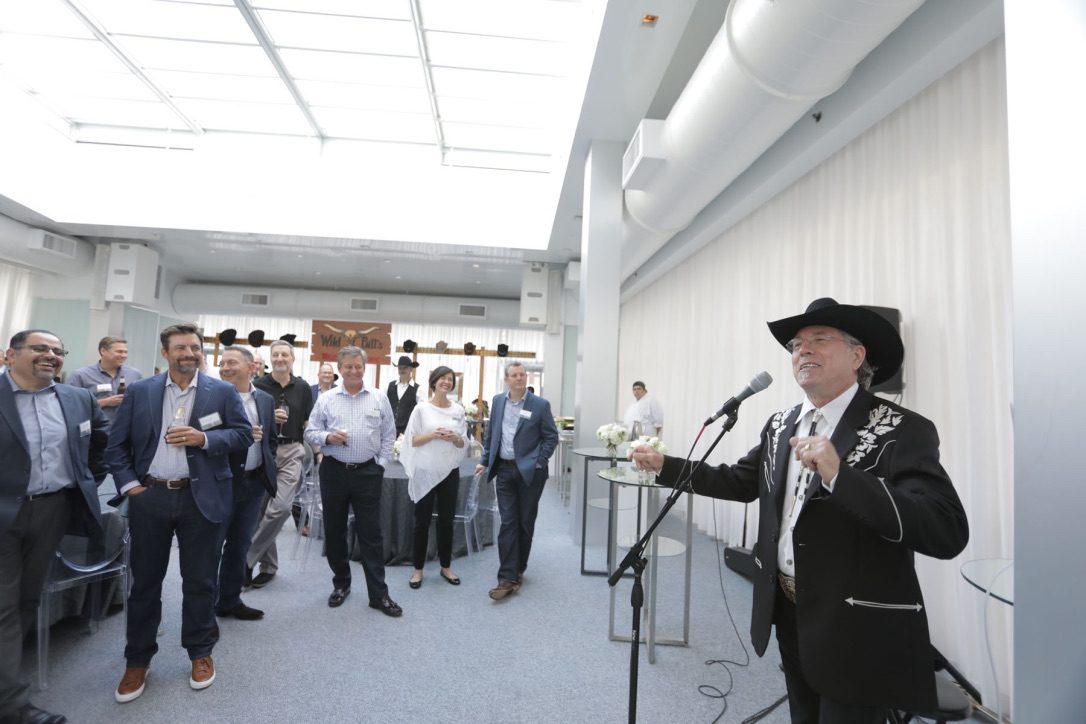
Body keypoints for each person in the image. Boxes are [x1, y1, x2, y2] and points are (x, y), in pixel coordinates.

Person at [631, 298, 969, 720]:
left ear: (857, 355)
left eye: (819, 339)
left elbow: (945, 528)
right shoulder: (781, 424)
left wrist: (840, 475)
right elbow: (738, 481)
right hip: (790, 610)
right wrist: (666, 466)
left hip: (857, 626)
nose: (802, 350)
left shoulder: (902, 429)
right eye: (795, 344)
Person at [106, 323, 252, 703]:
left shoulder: (221, 391)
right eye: (181, 347)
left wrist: (204, 438)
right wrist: (130, 488)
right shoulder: (140, 391)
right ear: (165, 353)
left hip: (200, 499)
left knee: (201, 581)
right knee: (145, 584)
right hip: (150, 497)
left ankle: (200, 653)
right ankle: (137, 660)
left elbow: (241, 435)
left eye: (195, 347)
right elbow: (116, 447)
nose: (190, 353)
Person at [1, 330, 109, 724]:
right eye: (40, 348)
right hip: (3, 516)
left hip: (52, 511)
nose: (51, 355)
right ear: (10, 355)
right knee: (4, 608)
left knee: (28, 601)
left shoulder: (76, 398)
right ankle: (12, 707)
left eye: (57, 350)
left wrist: (88, 481)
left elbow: (101, 442)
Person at [303, 346, 402, 617]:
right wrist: (327, 438)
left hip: (368, 473)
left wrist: (380, 466)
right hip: (334, 471)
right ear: (340, 368)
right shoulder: (327, 399)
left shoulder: (379, 398)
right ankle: (341, 584)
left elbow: (389, 435)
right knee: (335, 532)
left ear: (364, 367)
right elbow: (310, 431)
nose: (353, 371)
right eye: (348, 366)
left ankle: (378, 595)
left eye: (358, 366)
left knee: (371, 535)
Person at [475, 362, 558, 600]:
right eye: (514, 375)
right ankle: (507, 576)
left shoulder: (539, 405)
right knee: (508, 522)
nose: (519, 378)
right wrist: (485, 459)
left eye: (522, 374)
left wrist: (539, 461)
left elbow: (551, 437)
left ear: (526, 378)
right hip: (504, 470)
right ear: (506, 379)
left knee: (524, 521)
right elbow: (492, 434)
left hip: (531, 472)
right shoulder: (498, 401)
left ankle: (519, 567)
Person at [215, 346, 277, 623]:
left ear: (252, 367)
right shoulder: (211, 397)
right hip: (220, 483)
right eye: (222, 363)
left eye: (232, 362)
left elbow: (270, 440)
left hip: (252, 485)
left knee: (240, 545)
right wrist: (237, 435)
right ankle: (205, 609)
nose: (225, 367)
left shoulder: (264, 399)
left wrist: (265, 466)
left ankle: (229, 600)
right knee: (211, 547)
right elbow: (202, 435)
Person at [247, 340, 313, 588]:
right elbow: (249, 418)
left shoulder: (303, 388)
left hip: (293, 449)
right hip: (264, 450)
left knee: (281, 508)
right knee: (260, 513)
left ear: (292, 358)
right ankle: (269, 566)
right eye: (275, 355)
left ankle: (246, 559)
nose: (280, 358)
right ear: (270, 359)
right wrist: (268, 417)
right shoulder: (259, 385)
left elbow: (308, 423)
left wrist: (318, 452)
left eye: (285, 354)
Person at [400, 365, 468, 589]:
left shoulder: (458, 410)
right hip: (425, 470)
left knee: (447, 521)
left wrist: (455, 438)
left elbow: (463, 443)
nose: (446, 382)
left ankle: (446, 566)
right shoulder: (421, 409)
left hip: (449, 470)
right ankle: (418, 570)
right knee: (421, 521)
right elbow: (413, 441)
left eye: (450, 379)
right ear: (434, 382)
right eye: (442, 378)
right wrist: (433, 435)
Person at [65, 336, 143, 422]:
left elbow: (141, 402)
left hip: (125, 430)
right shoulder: (81, 375)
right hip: (95, 430)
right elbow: (70, 405)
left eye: (125, 352)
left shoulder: (135, 374)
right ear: (103, 351)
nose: (124, 355)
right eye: (119, 351)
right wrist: (105, 402)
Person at [387, 355, 420, 435]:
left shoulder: (418, 389)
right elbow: (383, 407)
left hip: (408, 432)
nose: (402, 370)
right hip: (388, 431)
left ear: (411, 369)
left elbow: (421, 413)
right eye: (400, 368)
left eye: (405, 368)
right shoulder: (390, 386)